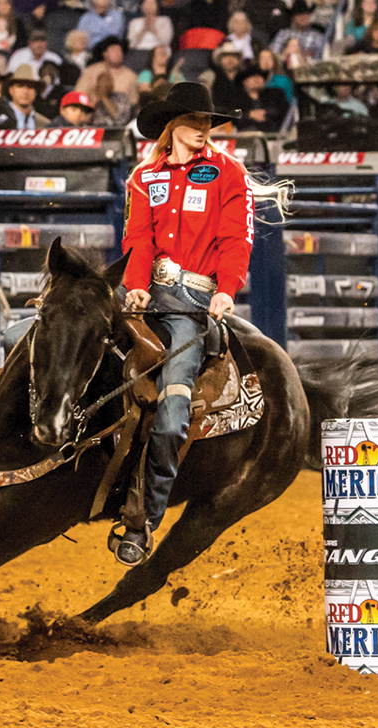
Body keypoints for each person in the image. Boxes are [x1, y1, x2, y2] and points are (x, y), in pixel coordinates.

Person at [117, 81, 288, 567]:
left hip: (194, 299)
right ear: (172, 126)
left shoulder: (228, 173)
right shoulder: (143, 177)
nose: (201, 131)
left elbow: (237, 239)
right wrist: (135, 283)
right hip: (144, 290)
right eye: (193, 122)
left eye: (207, 123)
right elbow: (137, 238)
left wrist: (227, 290)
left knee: (173, 411)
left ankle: (144, 519)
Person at [75, 36, 139, 110]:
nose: (117, 54)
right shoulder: (91, 72)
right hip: (93, 115)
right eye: (113, 51)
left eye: (119, 51)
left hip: (121, 116)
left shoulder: (131, 76)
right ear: (104, 54)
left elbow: (134, 103)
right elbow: (79, 95)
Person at [237, 65, 289, 132]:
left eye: (259, 76)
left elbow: (283, 110)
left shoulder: (276, 93)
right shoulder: (238, 99)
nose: (256, 80)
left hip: (274, 134)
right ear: (244, 82)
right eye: (252, 77)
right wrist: (249, 115)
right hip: (247, 136)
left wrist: (265, 113)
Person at [4, 64, 51, 129]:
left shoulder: (45, 124)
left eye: (30, 87)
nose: (25, 91)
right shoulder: (0, 119)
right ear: (11, 90)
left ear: (36, 92)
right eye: (20, 86)